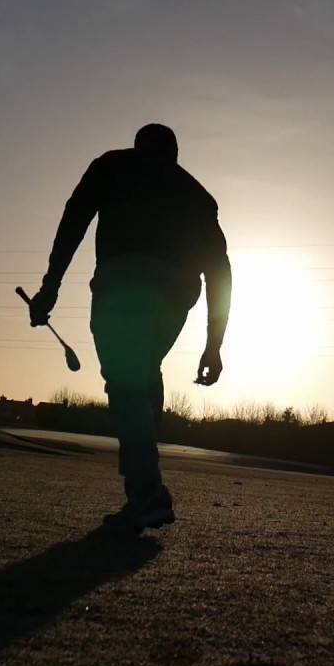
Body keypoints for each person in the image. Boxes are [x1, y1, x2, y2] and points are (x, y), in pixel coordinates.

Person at [27, 123, 232, 532]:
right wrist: (213, 344)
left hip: (122, 285)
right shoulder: (197, 195)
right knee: (141, 374)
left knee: (125, 382)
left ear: (138, 147)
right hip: (175, 298)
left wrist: (50, 288)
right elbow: (220, 271)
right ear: (174, 155)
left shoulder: (111, 166)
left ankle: (147, 491)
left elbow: (73, 222)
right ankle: (141, 491)